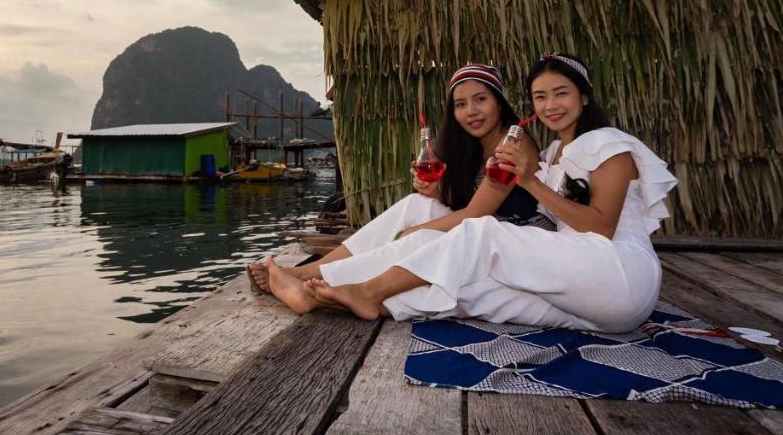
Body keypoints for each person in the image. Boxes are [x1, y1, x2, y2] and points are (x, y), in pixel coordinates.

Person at [264, 53, 678, 333]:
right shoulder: (556, 154)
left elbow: (601, 228)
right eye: (540, 96)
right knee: (469, 289)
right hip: (590, 295)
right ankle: (324, 296)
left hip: (619, 276)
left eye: (561, 93)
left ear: (584, 96)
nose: (551, 105)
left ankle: (366, 291)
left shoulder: (609, 145)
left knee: (478, 232)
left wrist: (529, 180)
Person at [248, 63, 543, 294]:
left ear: (500, 103)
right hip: (479, 232)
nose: (471, 111)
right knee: (415, 203)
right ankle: (318, 269)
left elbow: (477, 213)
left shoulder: (513, 144)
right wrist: (436, 193)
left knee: (420, 236)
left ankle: (316, 278)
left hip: (511, 242)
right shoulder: (472, 147)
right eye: (461, 104)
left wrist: (412, 232)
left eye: (481, 100)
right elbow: (466, 207)